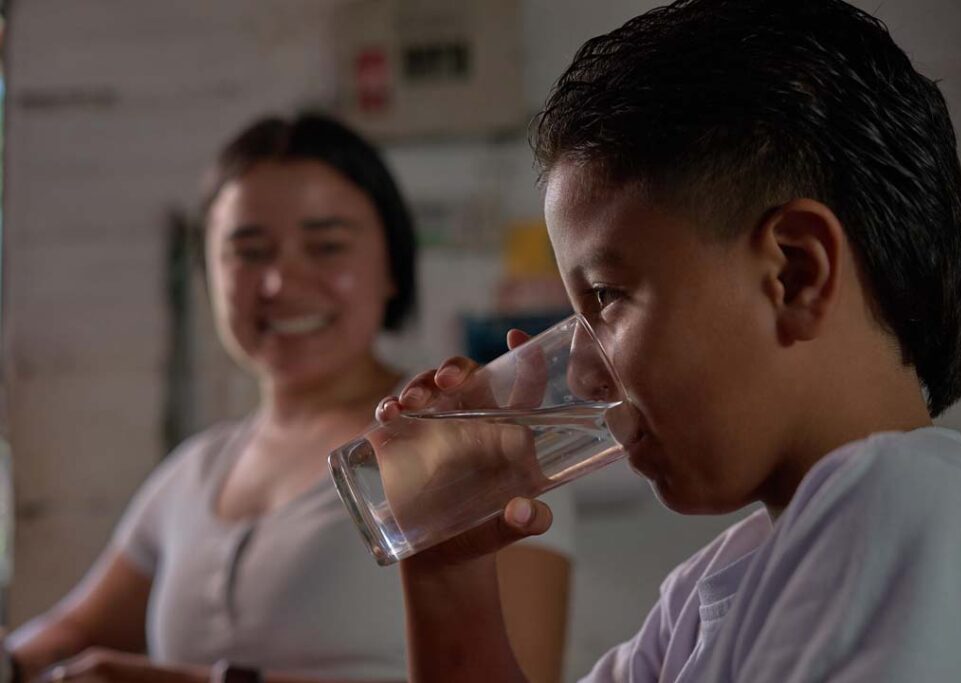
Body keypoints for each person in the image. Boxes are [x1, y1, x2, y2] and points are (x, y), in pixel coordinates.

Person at [385, 1, 961, 681]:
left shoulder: (914, 509)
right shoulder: (704, 595)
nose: (584, 374)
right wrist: (447, 569)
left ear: (795, 273)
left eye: (606, 297)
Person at [2, 114, 574, 682]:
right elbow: (67, 634)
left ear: (392, 268)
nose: (280, 283)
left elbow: (519, 674)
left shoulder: (474, 440)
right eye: (249, 252)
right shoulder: (193, 472)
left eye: (327, 246)